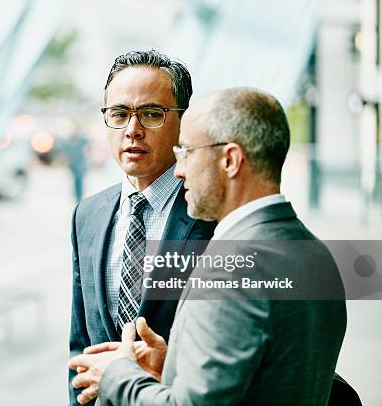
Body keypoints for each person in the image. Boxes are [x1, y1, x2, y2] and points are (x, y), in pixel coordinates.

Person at [69, 88, 347, 405]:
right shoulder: (317, 253)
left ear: (230, 160)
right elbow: (275, 371)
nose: (179, 170)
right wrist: (173, 366)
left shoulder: (229, 270)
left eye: (187, 152)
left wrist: (117, 375)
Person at [68, 50, 215, 405]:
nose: (132, 131)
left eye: (151, 114)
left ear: (183, 121)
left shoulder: (213, 214)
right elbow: (80, 345)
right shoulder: (88, 215)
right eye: (119, 114)